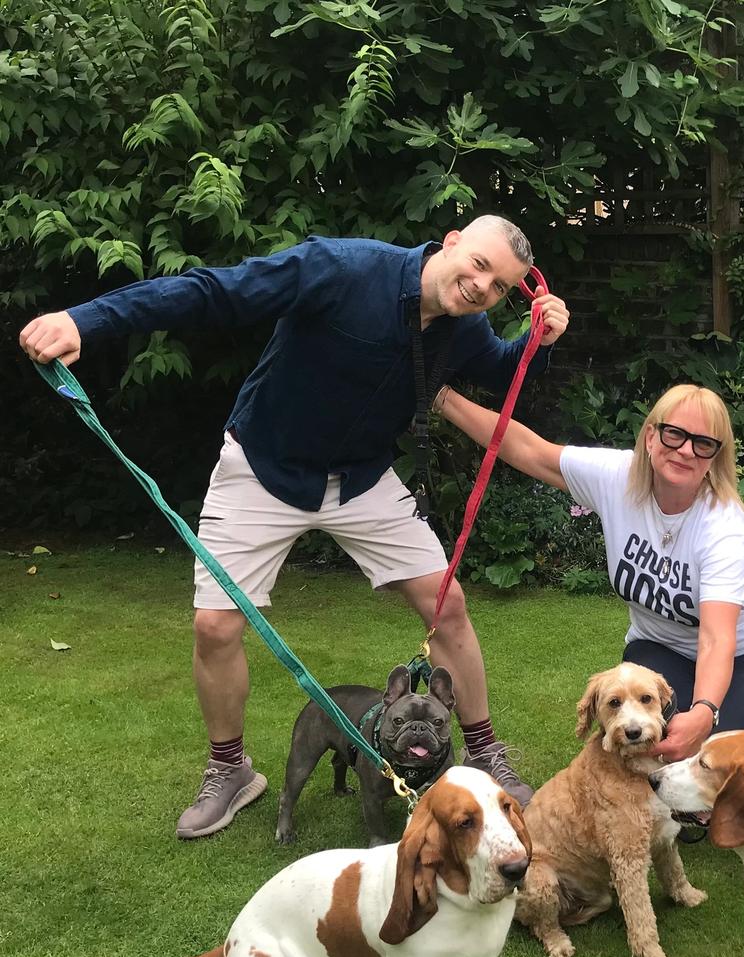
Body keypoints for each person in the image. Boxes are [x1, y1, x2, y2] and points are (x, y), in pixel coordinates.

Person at [19, 215, 570, 834]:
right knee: (215, 626)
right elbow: (212, 292)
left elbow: (502, 371)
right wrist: (84, 320)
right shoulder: (339, 268)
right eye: (479, 265)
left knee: (448, 607)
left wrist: (538, 343)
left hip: (361, 479)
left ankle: (485, 752)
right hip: (262, 467)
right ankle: (230, 769)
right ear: (451, 244)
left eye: (500, 286)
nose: (482, 287)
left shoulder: (463, 326)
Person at [437, 382, 744, 761]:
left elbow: (716, 639)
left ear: (715, 457)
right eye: (674, 434)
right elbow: (529, 450)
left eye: (703, 443)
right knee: (640, 740)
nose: (686, 450)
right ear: (650, 436)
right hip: (661, 646)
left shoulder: (723, 527)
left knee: (711, 757)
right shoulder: (617, 478)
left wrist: (704, 711)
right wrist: (439, 396)